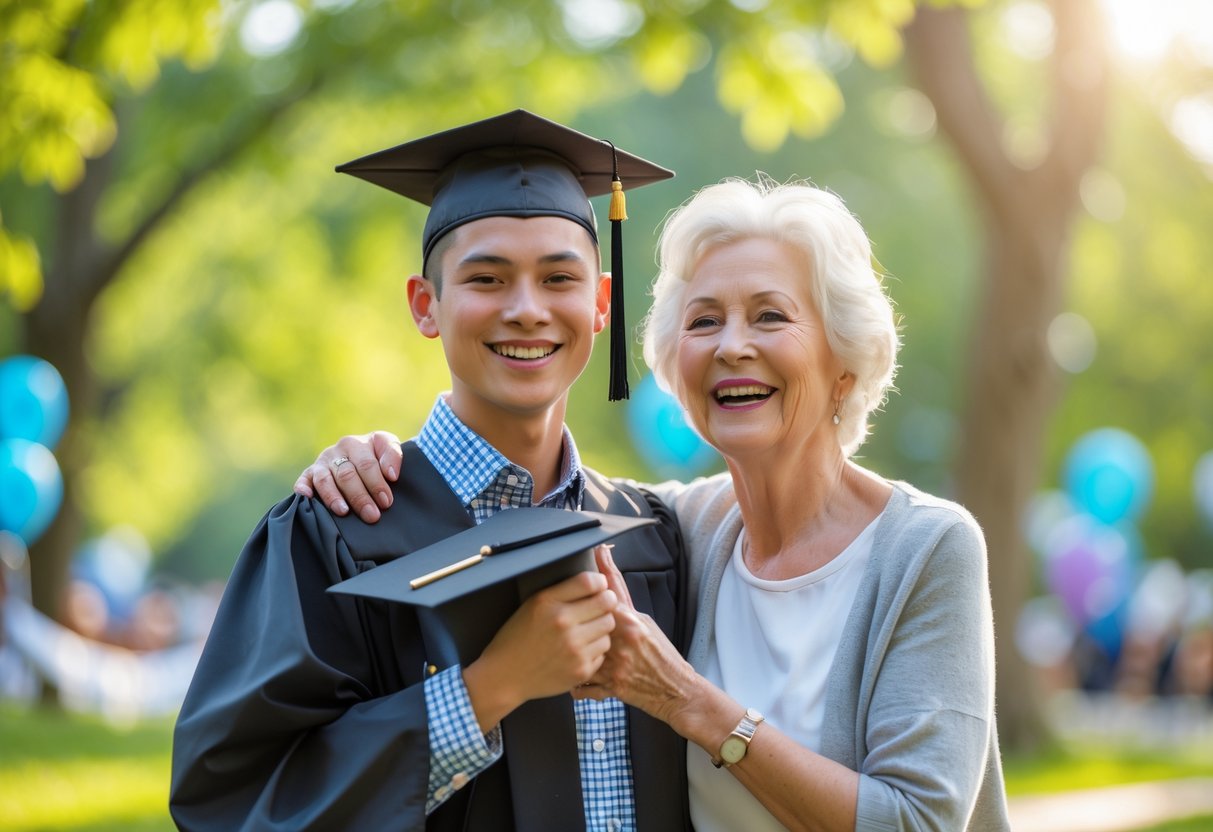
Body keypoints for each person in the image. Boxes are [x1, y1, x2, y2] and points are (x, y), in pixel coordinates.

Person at [299, 178, 1012, 829]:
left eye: (769, 316)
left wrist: (688, 702)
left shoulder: (924, 548)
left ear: (844, 360)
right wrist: (376, 458)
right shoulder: (676, 531)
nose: (732, 346)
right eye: (703, 322)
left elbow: (919, 821)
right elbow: (521, 481)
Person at [170, 110, 690, 832]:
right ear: (426, 306)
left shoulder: (656, 537)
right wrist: (488, 688)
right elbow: (234, 802)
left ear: (599, 303)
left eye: (557, 277)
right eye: (486, 277)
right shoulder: (335, 530)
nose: (526, 309)